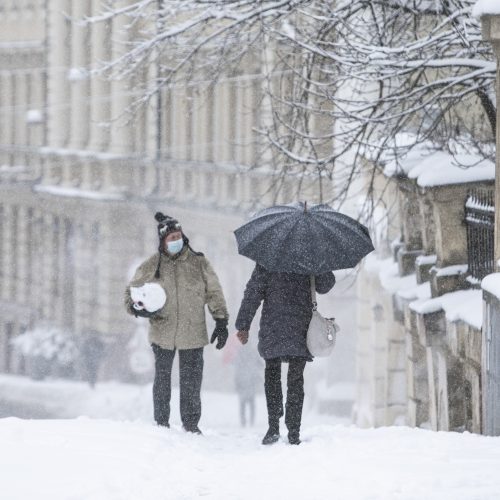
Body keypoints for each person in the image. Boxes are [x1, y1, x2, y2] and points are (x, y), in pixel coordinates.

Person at [125, 212, 229, 434]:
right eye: (171, 238)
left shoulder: (198, 262)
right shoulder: (152, 265)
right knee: (162, 379)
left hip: (193, 332)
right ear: (163, 241)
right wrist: (136, 307)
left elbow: (214, 292)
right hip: (163, 332)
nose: (176, 241)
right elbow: (132, 291)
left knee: (191, 381)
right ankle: (161, 421)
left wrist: (221, 320)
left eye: (178, 236)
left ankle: (191, 424)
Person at [235, 264, 335, 445]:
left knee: (272, 376)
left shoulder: (268, 258)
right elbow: (326, 285)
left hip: (274, 327)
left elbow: (253, 292)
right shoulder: (308, 256)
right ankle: (293, 430)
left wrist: (243, 324)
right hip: (299, 328)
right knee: (296, 380)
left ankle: (273, 426)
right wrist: (320, 265)